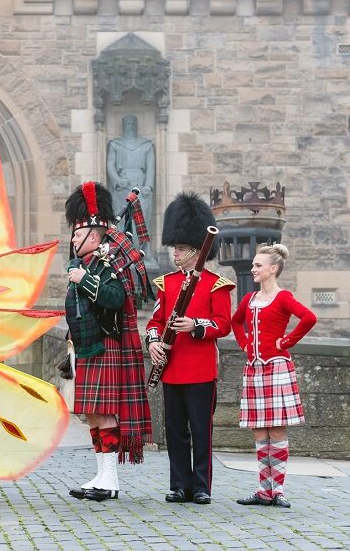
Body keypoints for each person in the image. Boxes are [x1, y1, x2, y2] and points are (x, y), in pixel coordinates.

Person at [64, 181, 152, 502]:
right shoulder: (87, 263)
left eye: (78, 233)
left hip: (106, 345)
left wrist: (84, 279)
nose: (73, 238)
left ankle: (110, 480)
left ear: (95, 235)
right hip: (88, 346)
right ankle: (101, 475)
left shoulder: (106, 264)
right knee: (93, 414)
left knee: (104, 412)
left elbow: (115, 299)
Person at [145, 192, 234, 505]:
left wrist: (195, 325)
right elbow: (154, 322)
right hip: (171, 368)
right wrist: (154, 343)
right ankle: (179, 484)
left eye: (180, 248)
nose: (175, 253)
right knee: (175, 432)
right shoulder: (167, 284)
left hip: (199, 369)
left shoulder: (216, 284)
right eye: (174, 247)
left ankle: (201, 486)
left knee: (201, 430)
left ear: (197, 250)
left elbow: (224, 324)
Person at [231, 243, 317, 509]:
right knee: (259, 432)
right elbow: (236, 322)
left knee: (277, 430)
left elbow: (309, 317)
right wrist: (245, 344)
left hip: (277, 368)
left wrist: (286, 342)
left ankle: (277, 490)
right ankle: (263, 490)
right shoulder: (249, 300)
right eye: (254, 265)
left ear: (273, 268)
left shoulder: (283, 298)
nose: (253, 269)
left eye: (258, 265)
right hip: (255, 369)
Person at [106, 114, 155, 244]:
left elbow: (151, 167)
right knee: (121, 219)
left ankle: (142, 254)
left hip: (140, 186)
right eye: (128, 124)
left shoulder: (146, 144)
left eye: (133, 124)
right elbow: (110, 164)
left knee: (141, 221)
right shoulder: (115, 144)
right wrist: (117, 180)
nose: (130, 127)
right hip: (122, 186)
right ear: (123, 126)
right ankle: (122, 253)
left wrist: (148, 186)